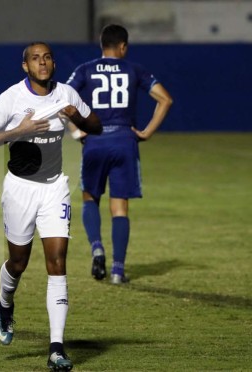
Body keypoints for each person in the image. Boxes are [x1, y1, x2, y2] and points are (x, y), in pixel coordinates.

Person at [0, 42, 101, 371]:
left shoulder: (67, 94)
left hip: (55, 188)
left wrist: (78, 117)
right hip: (19, 189)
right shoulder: (12, 97)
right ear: (25, 66)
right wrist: (19, 131)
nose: (42, 63)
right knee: (18, 262)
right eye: (35, 59)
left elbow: (96, 126)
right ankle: (5, 303)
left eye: (46, 58)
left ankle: (56, 348)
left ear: (53, 63)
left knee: (57, 262)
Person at [66, 24, 173, 284]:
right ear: (123, 46)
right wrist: (146, 132)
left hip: (95, 140)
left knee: (90, 197)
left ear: (102, 45)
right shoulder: (135, 70)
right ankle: (117, 271)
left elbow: (62, 98)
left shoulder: (85, 69)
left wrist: (76, 131)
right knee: (120, 207)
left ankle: (97, 248)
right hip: (125, 141)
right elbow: (165, 100)